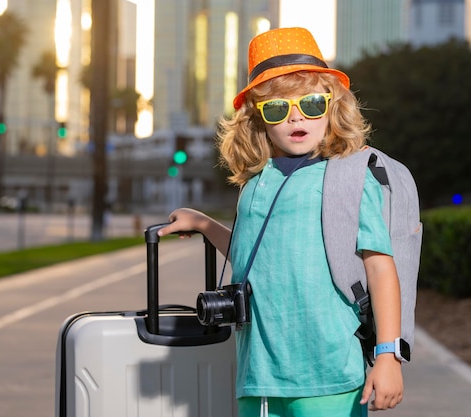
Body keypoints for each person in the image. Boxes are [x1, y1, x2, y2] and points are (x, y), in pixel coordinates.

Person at [158, 27, 403, 417]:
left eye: (311, 104)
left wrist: (389, 355)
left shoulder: (347, 178)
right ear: (257, 119)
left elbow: (380, 267)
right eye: (277, 109)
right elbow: (251, 253)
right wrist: (205, 225)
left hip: (330, 377)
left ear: (332, 105)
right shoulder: (257, 184)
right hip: (259, 378)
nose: (295, 117)